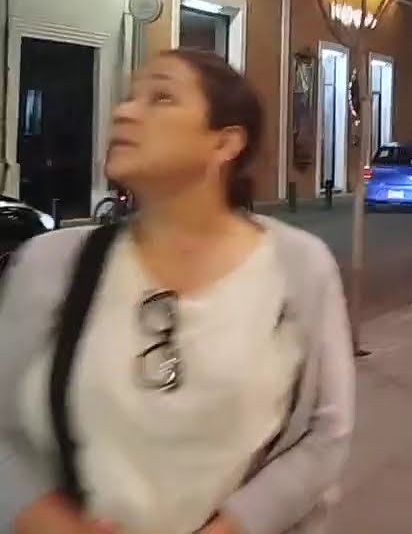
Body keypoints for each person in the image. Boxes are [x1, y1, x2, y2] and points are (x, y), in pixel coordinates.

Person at [0, 49, 355, 534]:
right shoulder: (53, 264)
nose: (125, 112)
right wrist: (51, 522)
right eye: (128, 97)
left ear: (225, 143)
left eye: (161, 97)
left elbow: (326, 430)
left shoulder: (299, 266)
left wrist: (235, 525)